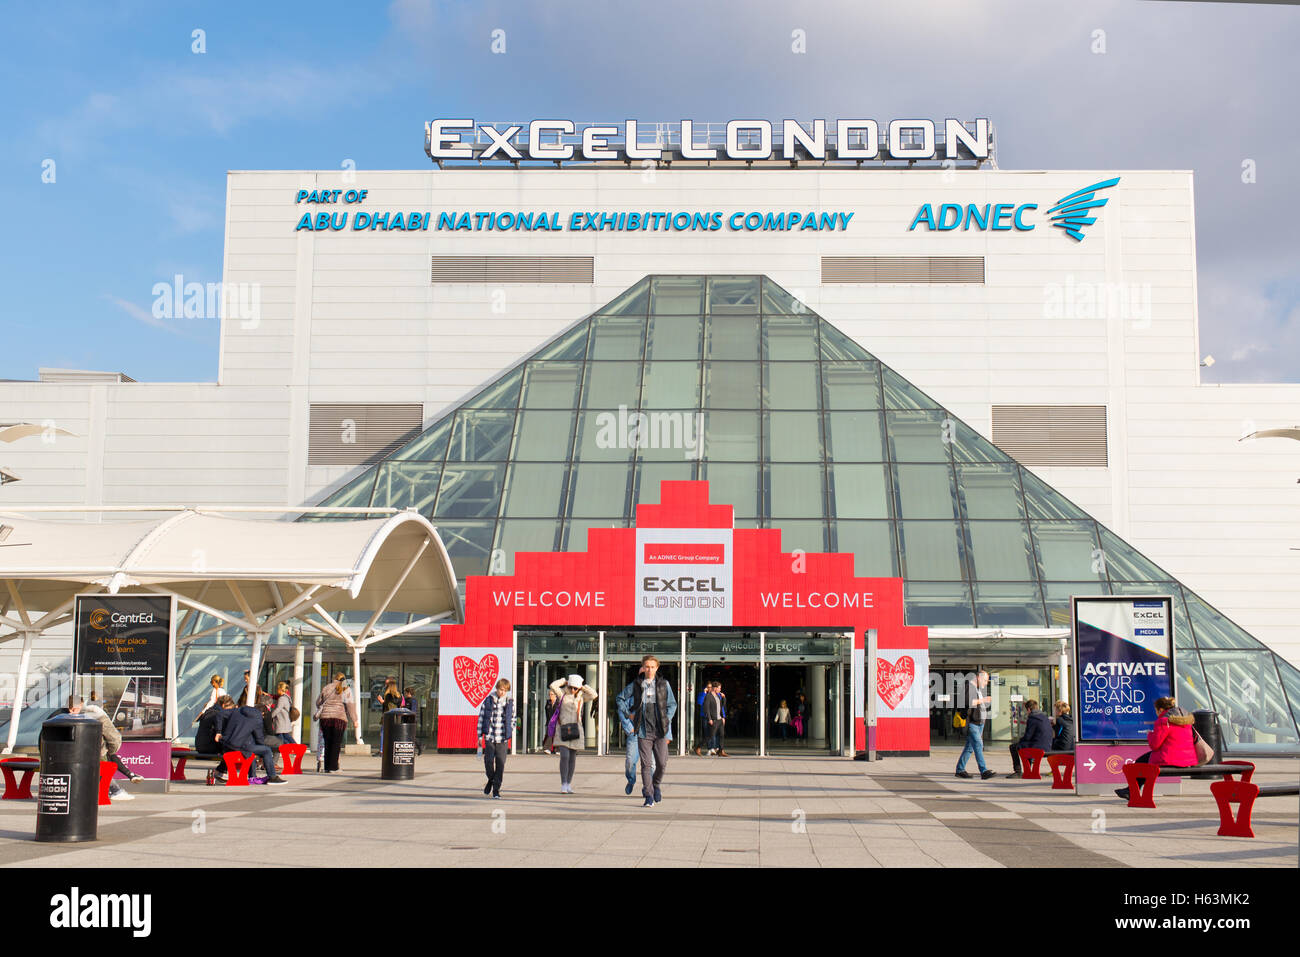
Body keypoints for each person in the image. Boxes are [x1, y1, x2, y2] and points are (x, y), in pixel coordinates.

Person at [616, 655, 677, 807]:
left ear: (657, 668)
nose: (649, 670)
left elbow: (672, 704)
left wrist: (666, 718)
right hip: (643, 730)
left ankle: (655, 785)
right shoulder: (636, 684)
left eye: (652, 667)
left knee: (662, 764)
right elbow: (620, 698)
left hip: (660, 730)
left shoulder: (664, 684)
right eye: (647, 667)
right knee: (646, 765)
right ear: (643, 668)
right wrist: (628, 713)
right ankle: (648, 795)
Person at [1115, 697, 1198, 800]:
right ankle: (1130, 790)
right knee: (1143, 762)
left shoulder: (1163, 721)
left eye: (1156, 710)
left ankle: (1131, 791)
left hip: (1171, 760)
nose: (1156, 713)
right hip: (1187, 760)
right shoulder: (1185, 721)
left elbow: (1155, 745)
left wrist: (1150, 735)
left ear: (1161, 710)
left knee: (1139, 763)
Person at [68, 697, 143, 800]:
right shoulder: (96, 715)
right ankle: (115, 789)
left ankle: (119, 785)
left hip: (82, 750)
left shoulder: (67, 715)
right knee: (104, 765)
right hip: (96, 749)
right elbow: (114, 737)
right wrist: (110, 750)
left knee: (102, 766)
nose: (72, 712)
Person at [214, 697, 286, 783]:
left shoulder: (238, 710)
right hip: (239, 746)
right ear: (262, 713)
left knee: (246, 747)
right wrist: (261, 755)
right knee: (266, 750)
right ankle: (272, 777)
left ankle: (222, 771)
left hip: (226, 743)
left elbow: (219, 714)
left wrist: (218, 732)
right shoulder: (258, 718)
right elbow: (259, 739)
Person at [547, 674, 596, 793]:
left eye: (576, 688)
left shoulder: (580, 696)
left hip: (576, 728)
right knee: (564, 756)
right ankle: (563, 783)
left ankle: (569, 783)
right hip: (562, 728)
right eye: (572, 687)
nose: (573, 690)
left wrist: (583, 687)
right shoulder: (562, 693)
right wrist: (564, 681)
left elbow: (594, 695)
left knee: (572, 758)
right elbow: (552, 685)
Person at [614, 665, 655, 795]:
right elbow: (620, 705)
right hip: (635, 732)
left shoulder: (657, 688)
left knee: (651, 764)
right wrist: (629, 727)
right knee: (630, 762)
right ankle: (631, 780)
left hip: (650, 731)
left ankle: (647, 787)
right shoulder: (632, 688)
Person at [955, 669, 996, 780]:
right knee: (978, 744)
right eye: (985, 680)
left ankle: (960, 769)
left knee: (969, 747)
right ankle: (983, 771)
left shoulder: (976, 688)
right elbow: (968, 702)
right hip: (972, 722)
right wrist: (983, 700)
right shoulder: (969, 686)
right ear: (978, 677)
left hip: (978, 723)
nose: (986, 683)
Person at [477, 678, 513, 799]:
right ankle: (491, 780)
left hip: (502, 738)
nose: (502, 692)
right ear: (496, 689)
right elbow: (481, 717)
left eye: (505, 690)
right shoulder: (488, 700)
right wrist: (479, 736)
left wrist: (510, 730)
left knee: (500, 764)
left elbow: (513, 718)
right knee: (488, 762)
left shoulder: (509, 702)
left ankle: (496, 789)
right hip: (490, 736)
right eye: (500, 689)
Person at [315, 672, 355, 773]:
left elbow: (318, 702)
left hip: (325, 718)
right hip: (339, 718)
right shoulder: (346, 688)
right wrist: (355, 719)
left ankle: (327, 767)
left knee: (327, 742)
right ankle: (334, 767)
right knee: (336, 743)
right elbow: (350, 706)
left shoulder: (327, 687)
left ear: (335, 678)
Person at [1006, 699, 1054, 776]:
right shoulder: (1044, 717)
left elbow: (1028, 736)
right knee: (1026, 745)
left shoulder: (1032, 718)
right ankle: (1028, 769)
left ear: (1028, 709)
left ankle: (1018, 771)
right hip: (1047, 746)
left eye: (1026, 710)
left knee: (1014, 747)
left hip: (1038, 747)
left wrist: (1020, 741)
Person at [271, 680, 296, 746]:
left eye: (278, 689)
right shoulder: (286, 697)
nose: (277, 690)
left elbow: (278, 709)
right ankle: (295, 747)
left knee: (280, 738)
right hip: (284, 720)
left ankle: (291, 747)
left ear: (280, 689)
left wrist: (270, 716)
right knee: (286, 736)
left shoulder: (282, 698)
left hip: (281, 721)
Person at [702, 682, 723, 755]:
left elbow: (720, 707)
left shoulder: (718, 696)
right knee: (710, 734)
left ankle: (718, 749)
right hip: (709, 718)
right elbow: (704, 706)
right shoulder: (707, 695)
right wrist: (709, 718)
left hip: (718, 718)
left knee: (720, 734)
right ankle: (707, 748)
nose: (709, 689)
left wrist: (723, 716)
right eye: (708, 687)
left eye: (710, 687)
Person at [401, 686, 423, 756]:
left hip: (411, 720)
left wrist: (406, 711)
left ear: (409, 693)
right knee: (407, 735)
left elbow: (413, 711)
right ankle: (411, 749)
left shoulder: (413, 700)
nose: (405, 694)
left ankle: (419, 746)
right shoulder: (405, 700)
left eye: (406, 693)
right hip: (405, 719)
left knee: (411, 735)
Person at [542, 686, 559, 755]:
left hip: (557, 722)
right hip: (550, 722)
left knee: (557, 735)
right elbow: (547, 712)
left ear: (555, 695)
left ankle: (557, 749)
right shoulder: (548, 702)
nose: (550, 696)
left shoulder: (559, 703)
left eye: (552, 694)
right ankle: (547, 748)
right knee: (549, 734)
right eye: (549, 694)